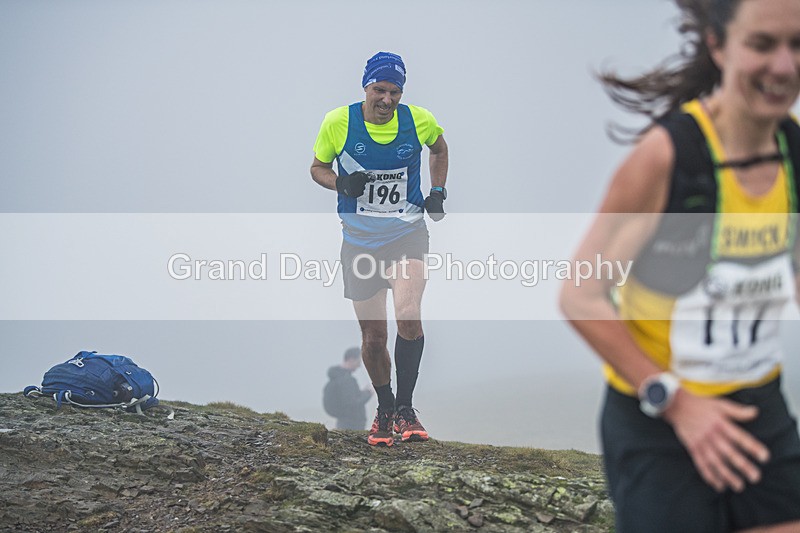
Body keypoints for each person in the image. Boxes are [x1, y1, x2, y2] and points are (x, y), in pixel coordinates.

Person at [560, 0, 800, 531]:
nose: (784, 66)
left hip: (758, 405)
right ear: (719, 45)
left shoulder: (793, 153)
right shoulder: (668, 158)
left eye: (797, 45)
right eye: (762, 45)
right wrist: (673, 401)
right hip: (658, 418)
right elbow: (579, 294)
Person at [311, 52, 448, 447]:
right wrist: (340, 183)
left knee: (409, 316)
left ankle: (406, 409)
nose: (387, 99)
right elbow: (317, 167)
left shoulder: (418, 120)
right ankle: (385, 409)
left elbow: (439, 149)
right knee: (372, 337)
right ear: (366, 88)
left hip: (407, 234)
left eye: (395, 92)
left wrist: (438, 191)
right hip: (359, 240)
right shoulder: (338, 122)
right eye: (380, 90)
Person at [323, 347, 373, 430]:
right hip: (352, 424)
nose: (359, 365)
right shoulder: (347, 380)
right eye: (358, 361)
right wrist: (369, 393)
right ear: (351, 360)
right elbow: (353, 403)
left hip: (343, 422)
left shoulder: (339, 378)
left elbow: (348, 399)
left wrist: (363, 392)